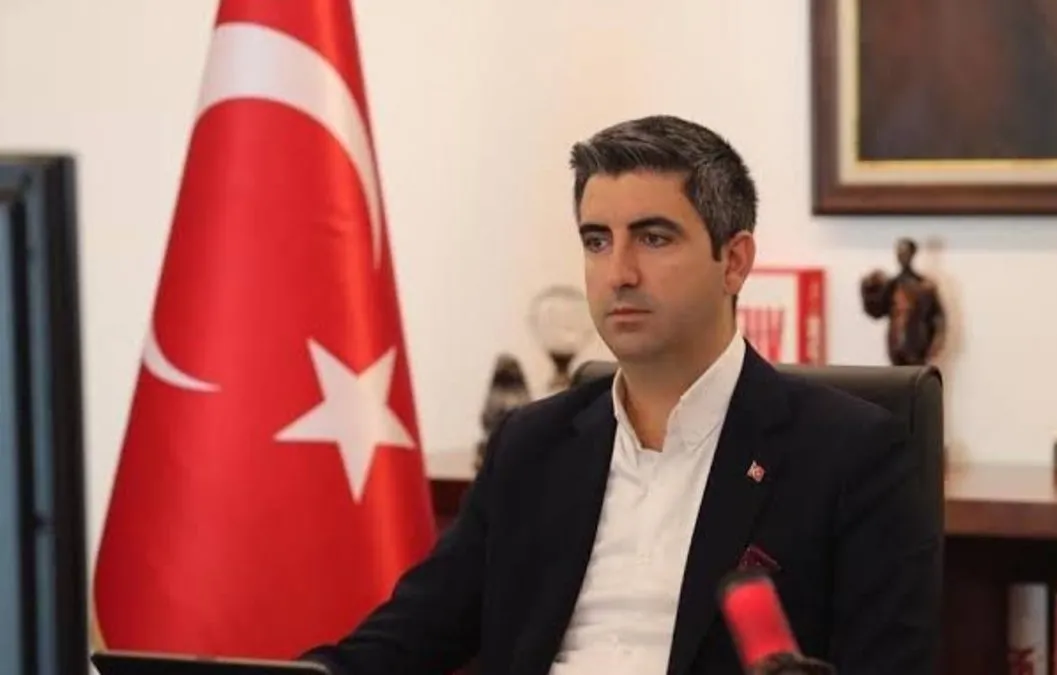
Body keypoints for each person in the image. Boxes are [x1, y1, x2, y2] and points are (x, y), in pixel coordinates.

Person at [299, 115, 940, 675]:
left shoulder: (849, 454)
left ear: (734, 261)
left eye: (654, 238)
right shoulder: (532, 446)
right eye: (597, 241)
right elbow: (404, 639)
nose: (619, 273)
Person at [860, 237, 947, 367]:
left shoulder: (924, 287)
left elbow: (938, 317)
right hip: (895, 348)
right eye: (899, 253)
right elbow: (877, 311)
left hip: (917, 346)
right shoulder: (891, 285)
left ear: (912, 254)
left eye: (905, 253)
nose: (901, 257)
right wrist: (868, 288)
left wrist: (936, 342)